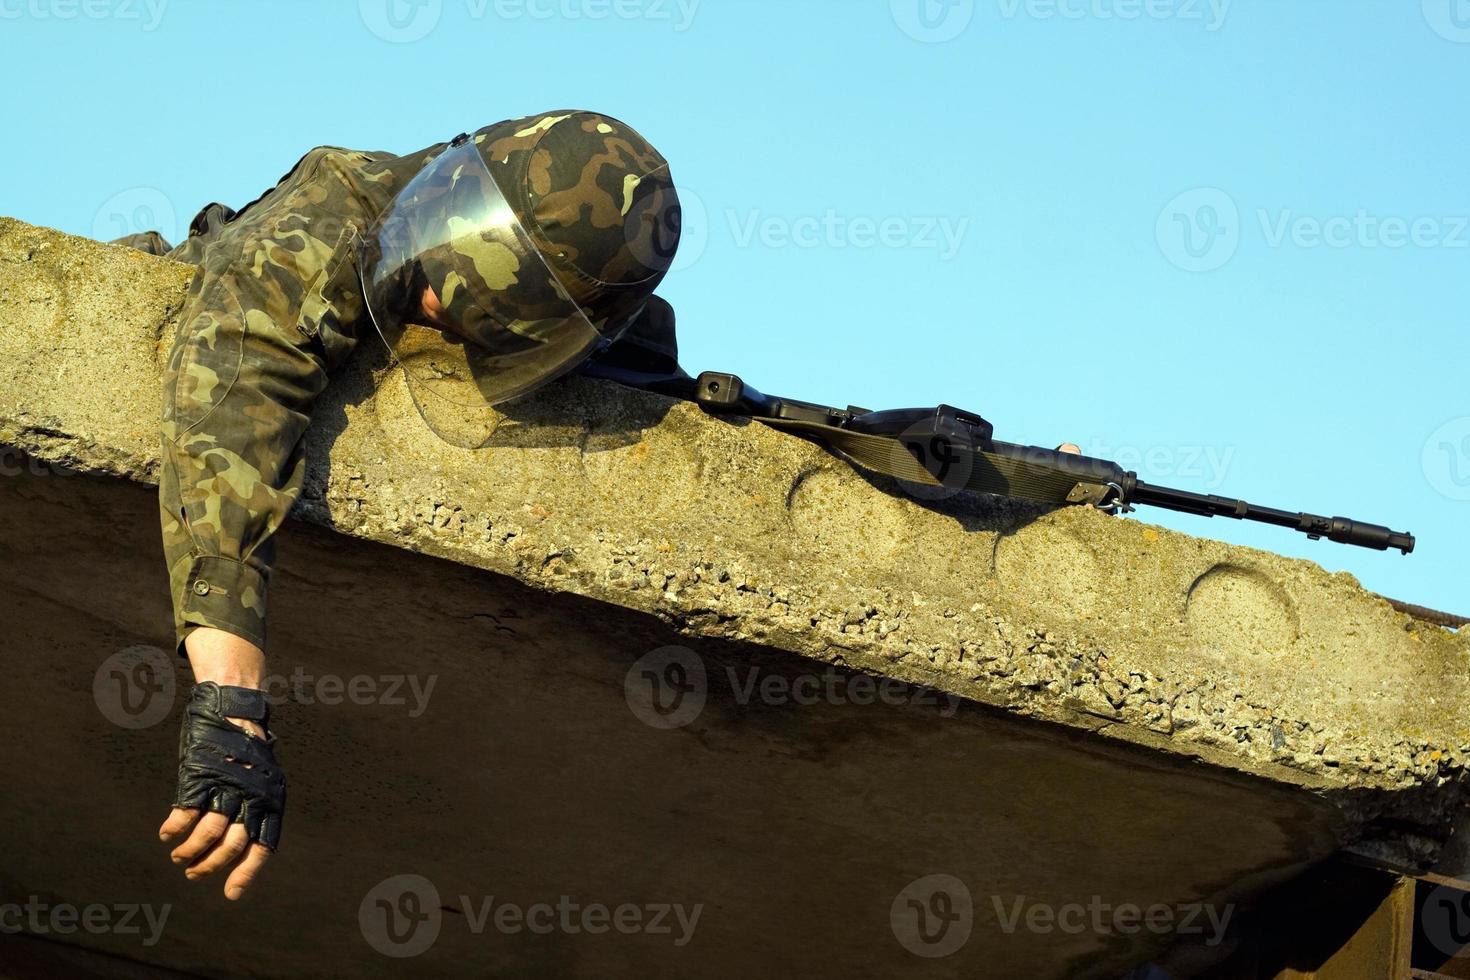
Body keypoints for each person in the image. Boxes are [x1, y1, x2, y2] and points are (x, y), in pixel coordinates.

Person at [114, 109, 684, 901]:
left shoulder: (584, 299)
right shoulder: (332, 219)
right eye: (441, 284)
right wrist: (231, 701)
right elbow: (235, 403)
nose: (436, 306)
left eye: (485, 310)